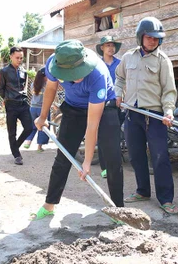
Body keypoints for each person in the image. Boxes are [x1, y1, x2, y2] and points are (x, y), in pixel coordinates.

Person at [31, 39, 124, 220]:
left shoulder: (97, 73)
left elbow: (92, 125)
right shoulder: (53, 63)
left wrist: (87, 161)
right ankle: (49, 205)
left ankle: (118, 210)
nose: (78, 76)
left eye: (79, 71)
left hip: (104, 109)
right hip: (74, 108)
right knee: (63, 156)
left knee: (113, 158)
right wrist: (43, 116)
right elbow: (50, 88)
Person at [115, 17, 178, 214]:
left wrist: (168, 111)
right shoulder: (128, 57)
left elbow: (169, 90)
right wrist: (118, 94)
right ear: (140, 37)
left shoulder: (163, 61)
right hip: (133, 114)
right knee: (135, 155)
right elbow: (119, 78)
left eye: (156, 38)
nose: (152, 41)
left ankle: (166, 199)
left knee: (160, 157)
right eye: (149, 37)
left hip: (155, 117)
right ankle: (142, 191)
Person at [0, 46, 33, 165]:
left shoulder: (24, 72)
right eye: (17, 57)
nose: (19, 60)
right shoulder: (4, 72)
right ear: (11, 56)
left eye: (21, 58)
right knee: (12, 132)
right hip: (11, 105)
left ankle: (15, 146)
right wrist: (6, 98)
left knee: (29, 128)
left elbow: (24, 87)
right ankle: (16, 155)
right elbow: (0, 88)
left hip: (23, 104)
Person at [96, 35, 123, 178]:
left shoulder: (120, 63)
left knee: (116, 135)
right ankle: (104, 167)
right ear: (102, 48)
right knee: (102, 136)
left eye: (112, 45)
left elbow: (125, 81)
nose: (111, 48)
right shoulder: (97, 64)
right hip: (100, 103)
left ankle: (115, 164)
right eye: (108, 45)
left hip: (117, 103)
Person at [23, 67, 50, 152]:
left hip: (33, 108)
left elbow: (33, 94)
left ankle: (27, 142)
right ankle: (39, 147)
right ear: (44, 76)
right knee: (42, 126)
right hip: (42, 109)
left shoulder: (33, 85)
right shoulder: (47, 85)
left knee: (32, 126)